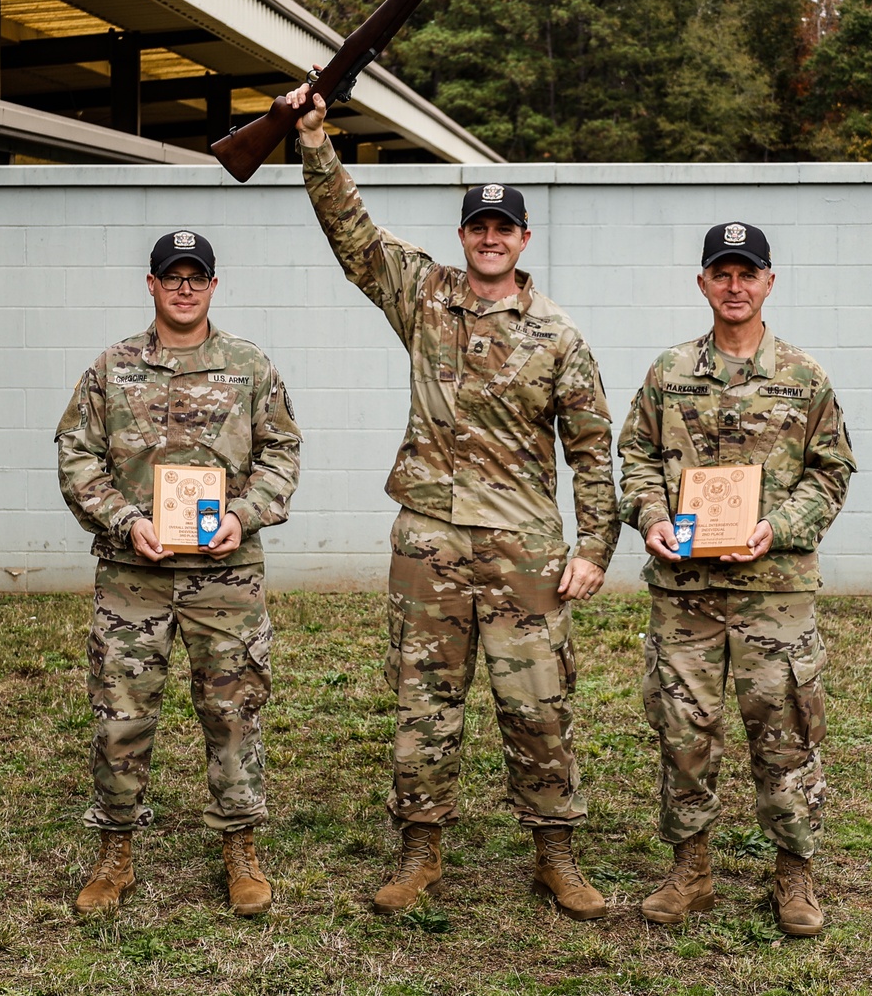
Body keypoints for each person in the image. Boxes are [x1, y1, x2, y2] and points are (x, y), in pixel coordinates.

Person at [286, 84, 619, 920]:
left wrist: (594, 548)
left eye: (504, 226)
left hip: (523, 551)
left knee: (539, 705)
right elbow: (352, 233)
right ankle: (421, 851)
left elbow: (590, 448)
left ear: (523, 238)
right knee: (423, 704)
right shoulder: (424, 296)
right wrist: (317, 142)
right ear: (464, 234)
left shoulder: (560, 336)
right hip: (430, 542)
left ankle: (557, 857)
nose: (491, 237)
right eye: (479, 225)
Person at [618, 222, 856, 937]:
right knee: (684, 731)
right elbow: (633, 457)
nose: (734, 284)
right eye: (721, 272)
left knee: (785, 733)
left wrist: (775, 527)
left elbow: (832, 470)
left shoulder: (804, 377)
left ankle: (794, 873)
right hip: (685, 594)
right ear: (703, 282)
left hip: (774, 591)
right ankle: (690, 869)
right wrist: (652, 515)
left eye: (746, 272)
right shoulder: (667, 373)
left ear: (768, 282)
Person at [56, 231, 301, 916]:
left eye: (197, 276)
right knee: (120, 715)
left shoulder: (250, 366)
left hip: (227, 575)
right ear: (153, 283)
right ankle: (115, 851)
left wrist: (245, 513)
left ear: (213, 285)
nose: (185, 287)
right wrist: (123, 518)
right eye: (173, 276)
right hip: (135, 575)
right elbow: (77, 456)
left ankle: (240, 846)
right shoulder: (113, 367)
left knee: (233, 711)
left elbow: (283, 451)